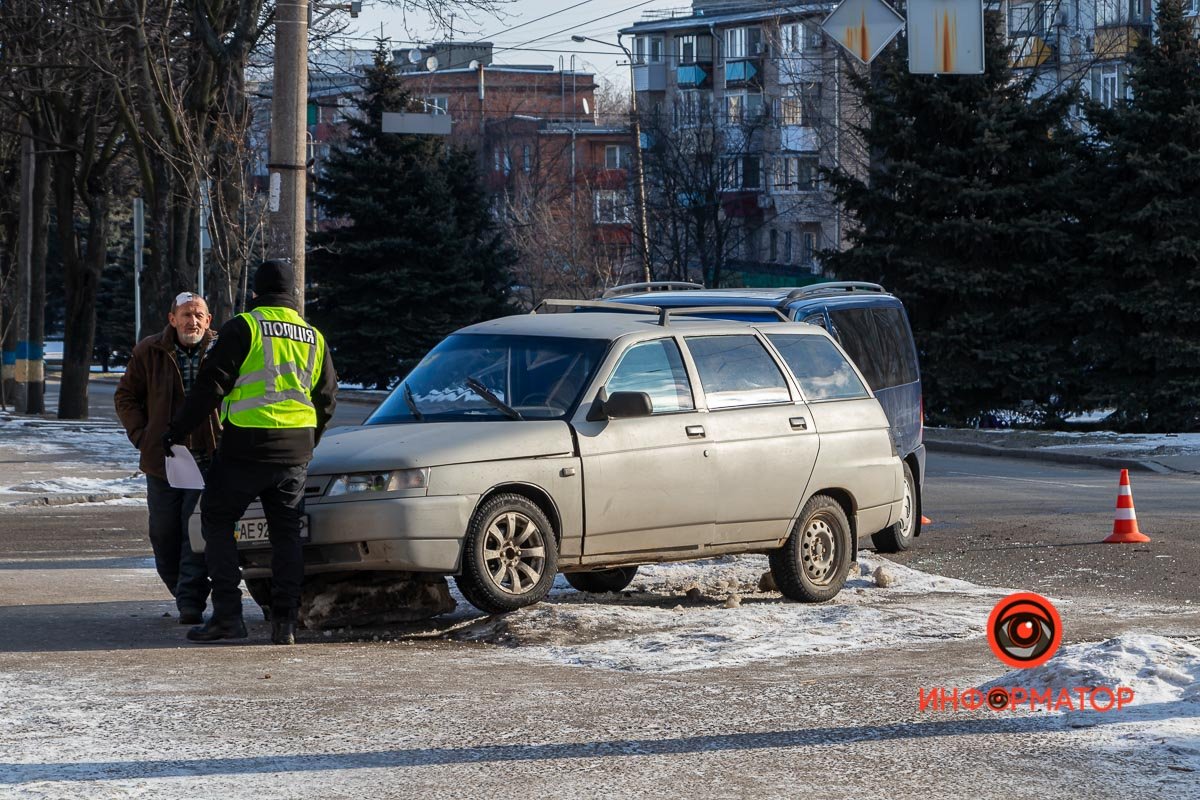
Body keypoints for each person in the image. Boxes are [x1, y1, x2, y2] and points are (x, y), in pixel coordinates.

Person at [166, 260, 337, 645]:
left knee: (216, 520)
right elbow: (326, 398)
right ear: (292, 294)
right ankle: (285, 623)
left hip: (245, 448)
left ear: (256, 293)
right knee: (286, 535)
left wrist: (176, 431)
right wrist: (311, 438)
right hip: (295, 451)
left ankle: (228, 615)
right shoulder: (313, 335)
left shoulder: (245, 327)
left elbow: (211, 386)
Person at [114, 292, 218, 625]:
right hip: (164, 460)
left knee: (194, 531)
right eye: (186, 314)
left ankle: (190, 601)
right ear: (172, 319)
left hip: (206, 458)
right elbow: (126, 396)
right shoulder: (150, 350)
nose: (194, 321)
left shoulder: (220, 350)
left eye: (200, 315)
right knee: (163, 533)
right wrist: (142, 437)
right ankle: (182, 590)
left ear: (209, 319)